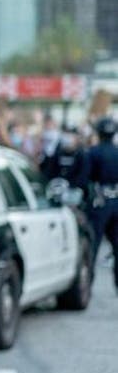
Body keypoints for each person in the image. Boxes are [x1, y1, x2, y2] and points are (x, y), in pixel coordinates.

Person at [80, 117, 118, 292]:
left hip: (99, 202)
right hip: (116, 202)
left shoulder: (92, 152)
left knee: (93, 246)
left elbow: (84, 179)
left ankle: (88, 284)